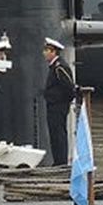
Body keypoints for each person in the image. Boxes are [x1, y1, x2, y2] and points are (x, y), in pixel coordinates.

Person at [42, 37, 75, 166]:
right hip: (53, 106)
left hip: (58, 107)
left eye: (46, 50)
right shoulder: (54, 67)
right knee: (54, 135)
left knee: (59, 134)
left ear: (53, 51)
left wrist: (61, 102)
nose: (44, 53)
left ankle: (61, 163)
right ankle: (58, 162)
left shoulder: (59, 67)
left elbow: (69, 87)